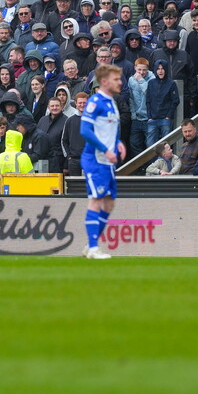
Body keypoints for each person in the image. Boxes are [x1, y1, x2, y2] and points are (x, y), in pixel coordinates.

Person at [80, 64, 126, 259]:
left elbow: (107, 130)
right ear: (104, 81)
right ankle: (93, 248)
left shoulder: (111, 102)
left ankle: (90, 245)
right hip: (95, 159)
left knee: (109, 204)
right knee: (96, 200)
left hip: (108, 162)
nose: (120, 82)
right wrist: (106, 149)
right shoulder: (95, 102)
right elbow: (85, 130)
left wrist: (118, 143)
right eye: (116, 79)